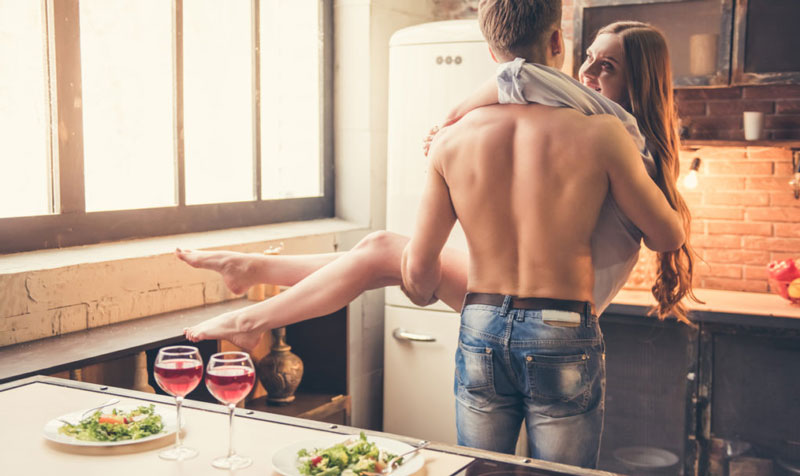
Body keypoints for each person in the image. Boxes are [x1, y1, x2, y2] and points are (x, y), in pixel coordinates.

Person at [177, 18, 695, 352]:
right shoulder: (605, 125)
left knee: (381, 253)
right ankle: (255, 272)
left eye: (608, 66)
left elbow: (519, 74)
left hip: (556, 301)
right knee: (378, 248)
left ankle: (253, 317)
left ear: (640, 80)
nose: (587, 72)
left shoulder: (619, 131)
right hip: (540, 294)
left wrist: (452, 119)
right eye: (588, 57)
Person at [400, 0, 684, 468]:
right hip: (562, 328)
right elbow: (667, 236)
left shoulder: (450, 141)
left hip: (481, 324)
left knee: (483, 471)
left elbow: (418, 272)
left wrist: (420, 286)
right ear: (558, 42)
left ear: (491, 54)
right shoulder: (603, 134)